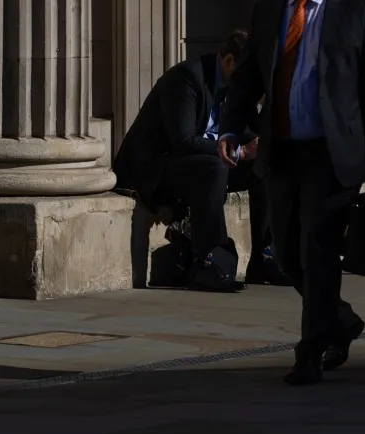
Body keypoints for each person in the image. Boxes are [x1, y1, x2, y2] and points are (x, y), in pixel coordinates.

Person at [217, 0, 365, 386]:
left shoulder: (357, 12)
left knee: (317, 251)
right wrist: (231, 126)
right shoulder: (269, 12)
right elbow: (249, 79)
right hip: (282, 150)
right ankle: (339, 320)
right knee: (288, 253)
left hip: (332, 154)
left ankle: (310, 352)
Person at [113, 31, 277, 292]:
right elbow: (184, 141)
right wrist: (240, 152)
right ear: (228, 61)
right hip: (156, 168)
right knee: (214, 167)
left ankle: (265, 257)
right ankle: (209, 260)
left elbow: (247, 130)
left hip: (198, 165)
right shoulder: (187, 78)